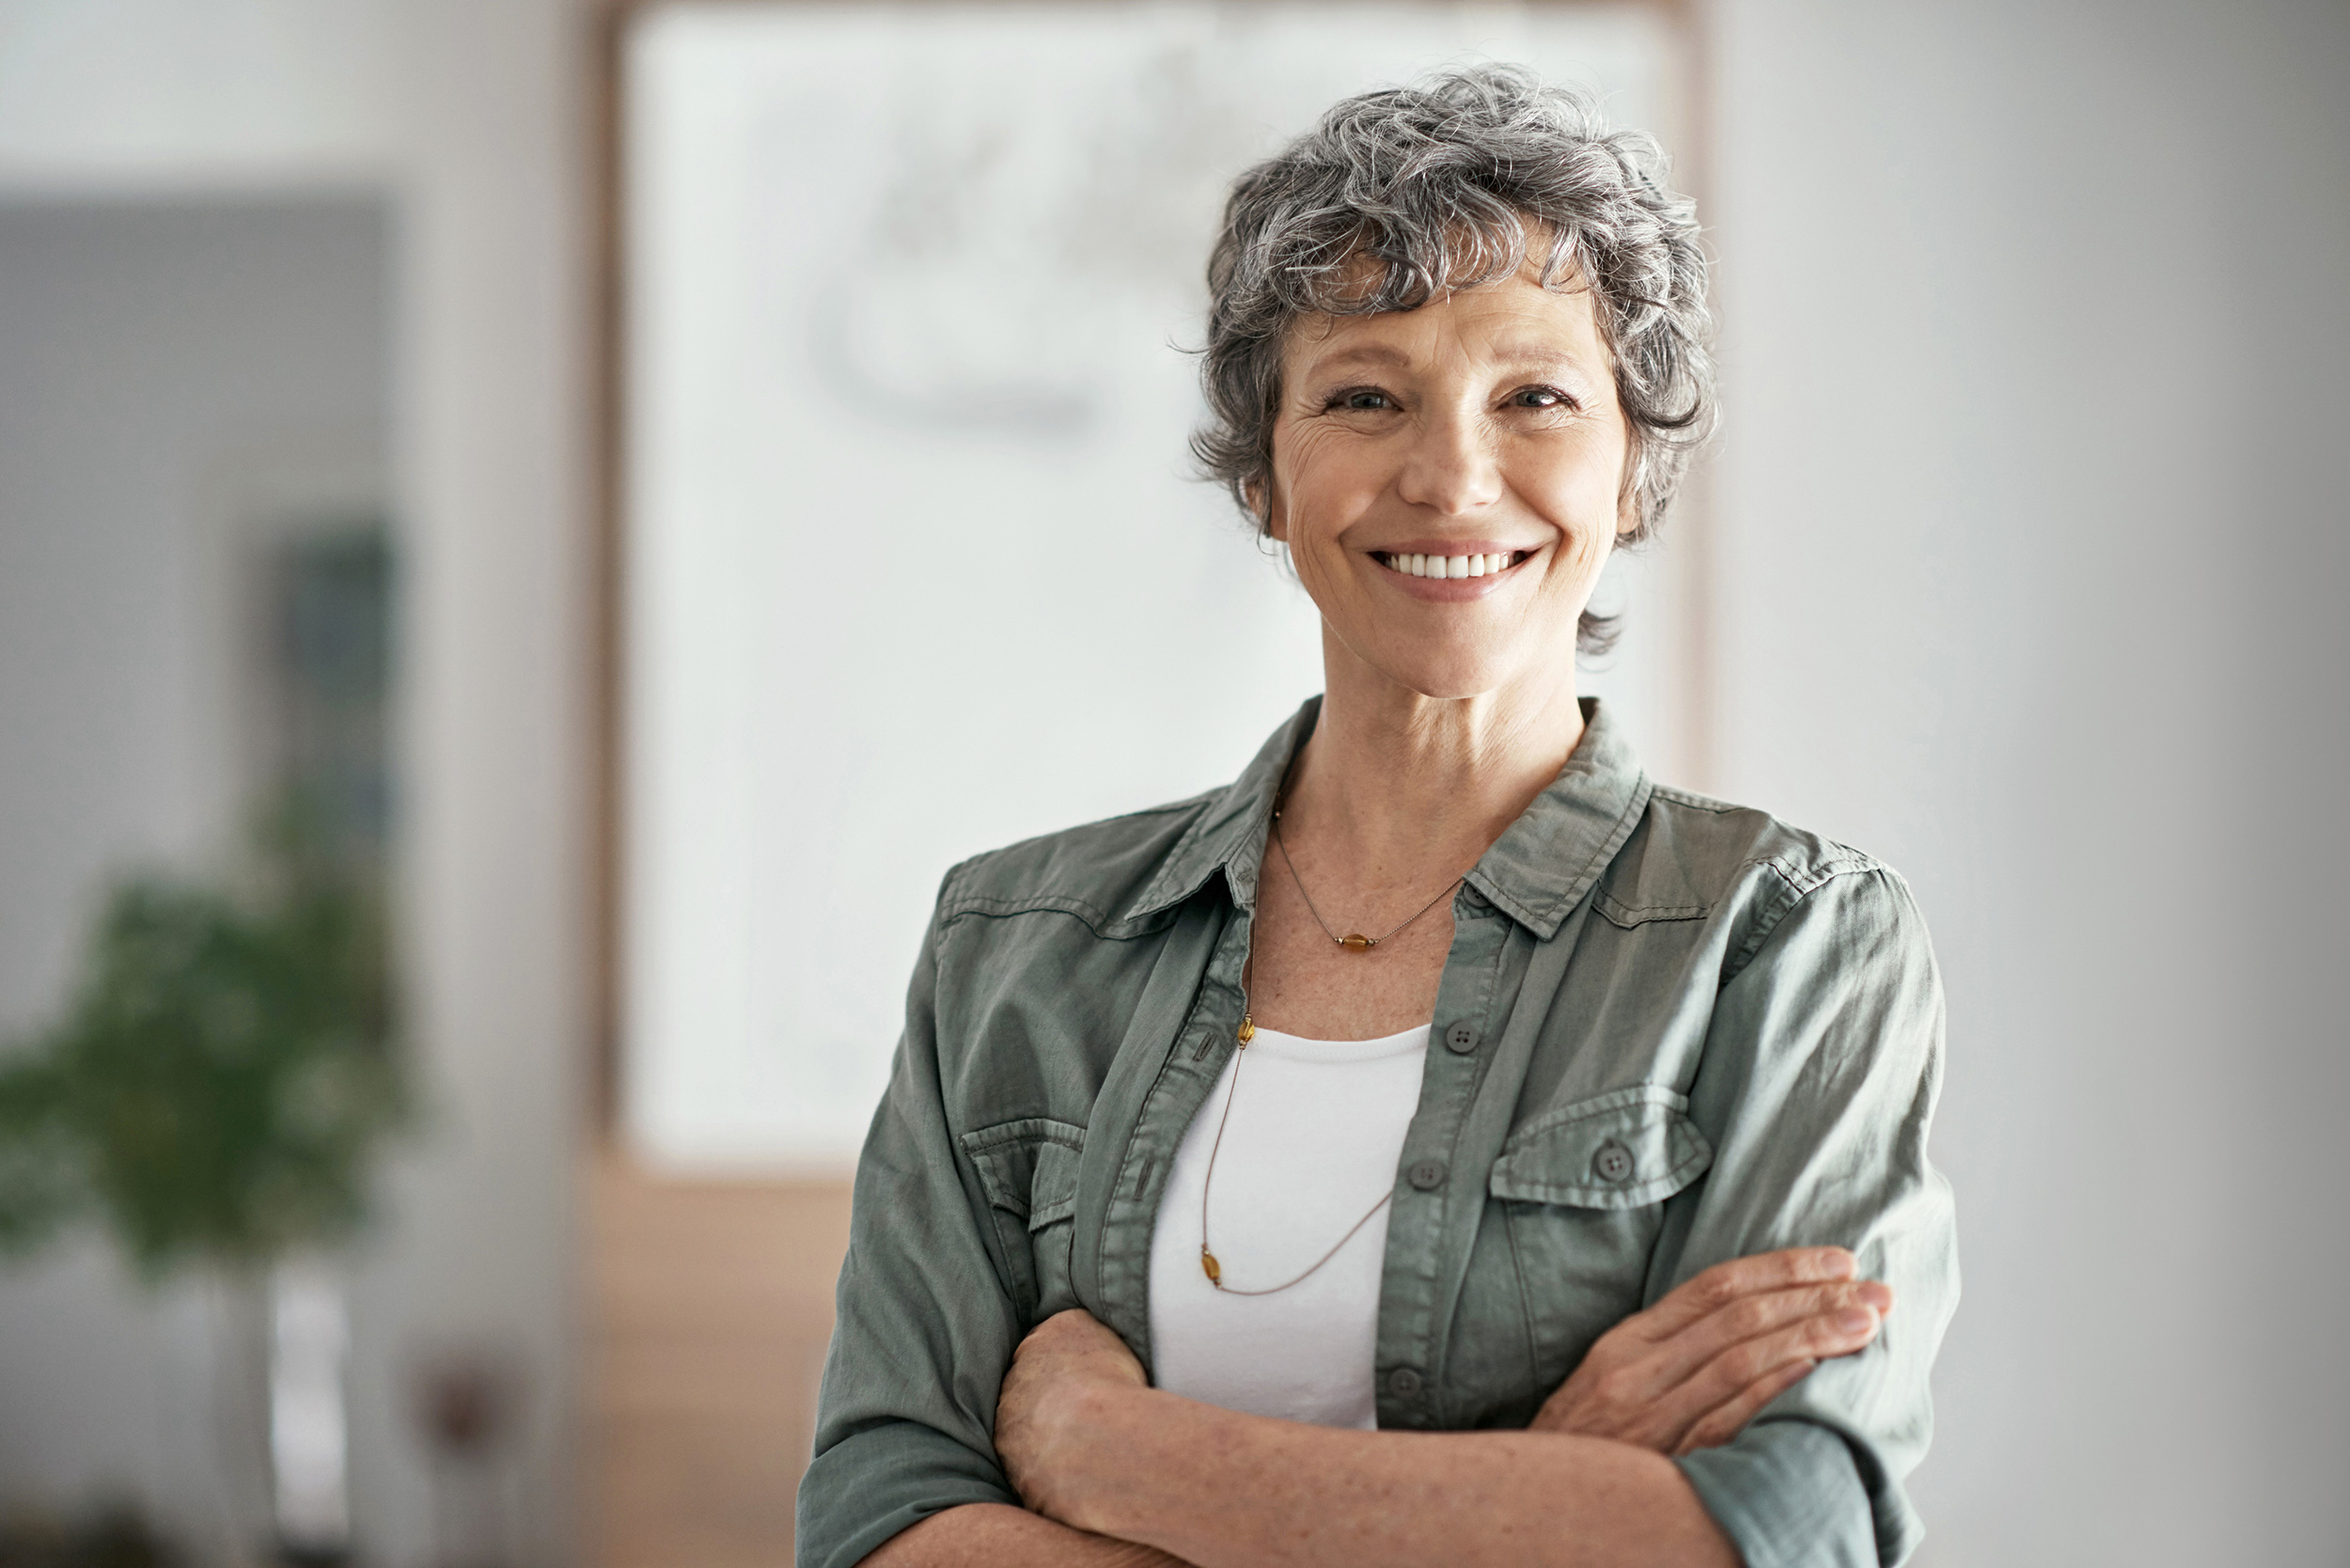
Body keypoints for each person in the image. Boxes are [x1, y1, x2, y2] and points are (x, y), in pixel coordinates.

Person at [795, 64, 1957, 1568]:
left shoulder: (1790, 943)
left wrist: (1122, 1455)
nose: (1451, 474)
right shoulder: (1011, 950)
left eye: (1534, 396)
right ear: (1267, 475)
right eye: (1363, 395)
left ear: (1636, 463)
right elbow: (880, 1523)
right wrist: (1534, 1500)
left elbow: (1785, 1534)